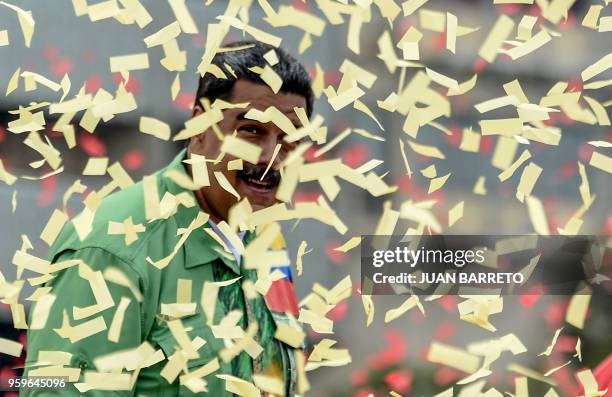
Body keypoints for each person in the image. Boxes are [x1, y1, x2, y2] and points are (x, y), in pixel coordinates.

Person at [24, 40, 314, 396]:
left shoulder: (264, 237)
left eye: (291, 140)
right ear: (201, 128)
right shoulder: (110, 248)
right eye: (252, 131)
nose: (272, 158)